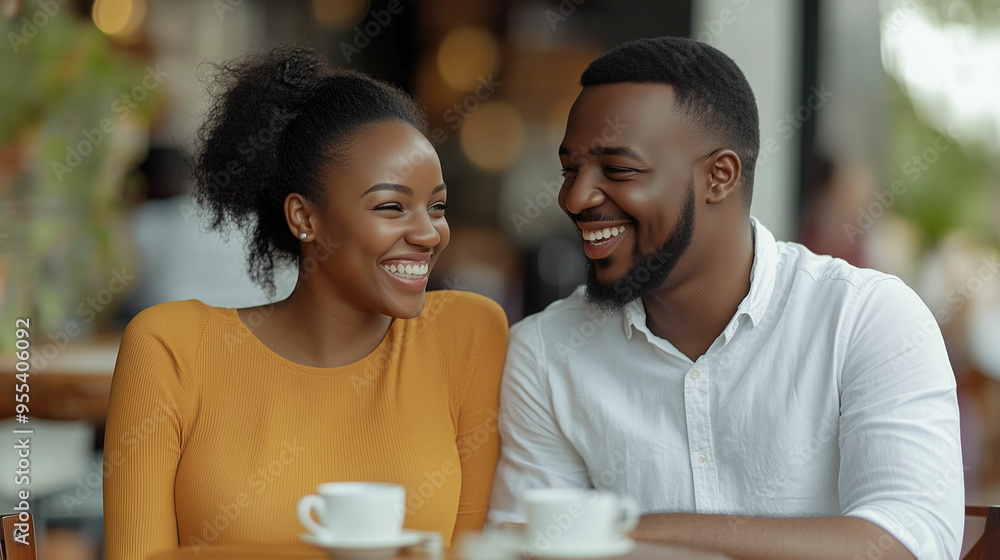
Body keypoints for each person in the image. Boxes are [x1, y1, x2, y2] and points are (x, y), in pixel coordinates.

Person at [487, 36, 962, 560]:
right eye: (570, 171)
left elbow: (907, 544)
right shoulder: (546, 351)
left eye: (617, 170)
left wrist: (625, 530)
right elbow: (526, 549)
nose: (574, 199)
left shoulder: (866, 320)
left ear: (720, 176)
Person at [103, 46, 508, 560]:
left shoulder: (467, 334)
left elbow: (472, 552)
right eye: (391, 206)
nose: (429, 234)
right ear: (304, 218)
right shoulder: (173, 347)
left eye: (437, 207)